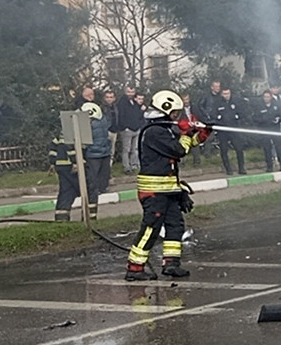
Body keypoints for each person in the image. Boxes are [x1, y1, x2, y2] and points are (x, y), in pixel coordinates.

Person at [124, 90, 211, 281]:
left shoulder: (164, 130)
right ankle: (135, 268)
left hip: (169, 189)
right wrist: (187, 132)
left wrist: (201, 135)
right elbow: (179, 150)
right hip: (154, 191)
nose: (177, 117)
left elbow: (182, 144)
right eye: (175, 113)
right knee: (151, 228)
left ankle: (171, 264)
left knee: (175, 225)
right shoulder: (154, 132)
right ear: (166, 111)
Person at [79, 102, 112, 219]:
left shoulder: (89, 123)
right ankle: (91, 215)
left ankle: (89, 215)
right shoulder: (103, 119)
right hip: (102, 154)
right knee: (95, 185)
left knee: (92, 185)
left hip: (93, 155)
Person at [213, 88, 248, 175]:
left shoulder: (235, 102)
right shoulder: (217, 103)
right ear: (221, 94)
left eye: (228, 93)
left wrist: (238, 119)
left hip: (234, 129)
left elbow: (242, 113)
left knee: (239, 148)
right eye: (224, 94)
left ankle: (241, 168)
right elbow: (214, 115)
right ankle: (228, 169)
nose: (226, 95)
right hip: (223, 131)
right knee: (224, 150)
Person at [254, 91, 281, 172]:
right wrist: (264, 120)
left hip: (275, 130)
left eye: (268, 97)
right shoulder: (259, 106)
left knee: (279, 148)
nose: (266, 98)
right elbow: (255, 118)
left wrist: (278, 119)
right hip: (265, 130)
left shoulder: (276, 105)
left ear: (271, 97)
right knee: (267, 149)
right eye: (265, 97)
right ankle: (269, 166)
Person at [49, 134, 79, 222]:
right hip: (68, 166)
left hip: (60, 166)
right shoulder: (69, 132)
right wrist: (75, 162)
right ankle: (63, 216)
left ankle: (61, 216)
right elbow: (70, 147)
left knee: (65, 190)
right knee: (71, 190)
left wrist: (52, 163)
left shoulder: (59, 135)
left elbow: (52, 149)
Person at [116, 86, 144, 174]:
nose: (130, 94)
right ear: (125, 92)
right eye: (128, 92)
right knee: (126, 150)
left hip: (136, 129)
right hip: (127, 130)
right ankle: (126, 167)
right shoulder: (122, 102)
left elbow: (138, 115)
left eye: (132, 92)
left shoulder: (135, 102)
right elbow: (121, 116)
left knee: (135, 149)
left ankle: (134, 165)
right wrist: (125, 127)